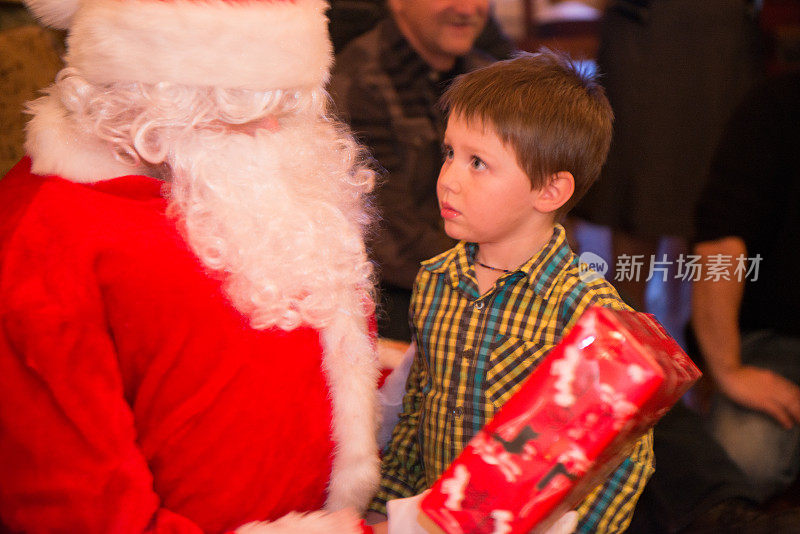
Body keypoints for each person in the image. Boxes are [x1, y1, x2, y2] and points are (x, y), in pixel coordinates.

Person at [0, 0, 383, 532]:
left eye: (287, 105)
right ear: (157, 106)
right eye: (246, 107)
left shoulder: (246, 187)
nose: (275, 130)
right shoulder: (47, 235)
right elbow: (69, 499)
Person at [368, 50, 654, 533]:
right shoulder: (436, 281)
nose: (449, 178)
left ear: (550, 191)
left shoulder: (587, 313)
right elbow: (416, 417)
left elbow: (623, 462)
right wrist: (383, 512)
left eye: (478, 162)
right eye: (450, 153)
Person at [329, 0, 504, 342]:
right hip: (401, 295)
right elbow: (387, 234)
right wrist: (496, 272)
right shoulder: (361, 84)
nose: (468, 9)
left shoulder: (488, 75)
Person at [572, 0, 762, 313]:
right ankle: (628, 335)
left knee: (724, 194)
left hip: (728, 34)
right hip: (644, 29)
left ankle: (709, 345)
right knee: (636, 196)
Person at [692, 69, 800, 503]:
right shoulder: (776, 102)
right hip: (778, 337)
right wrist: (729, 371)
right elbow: (721, 239)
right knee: (741, 462)